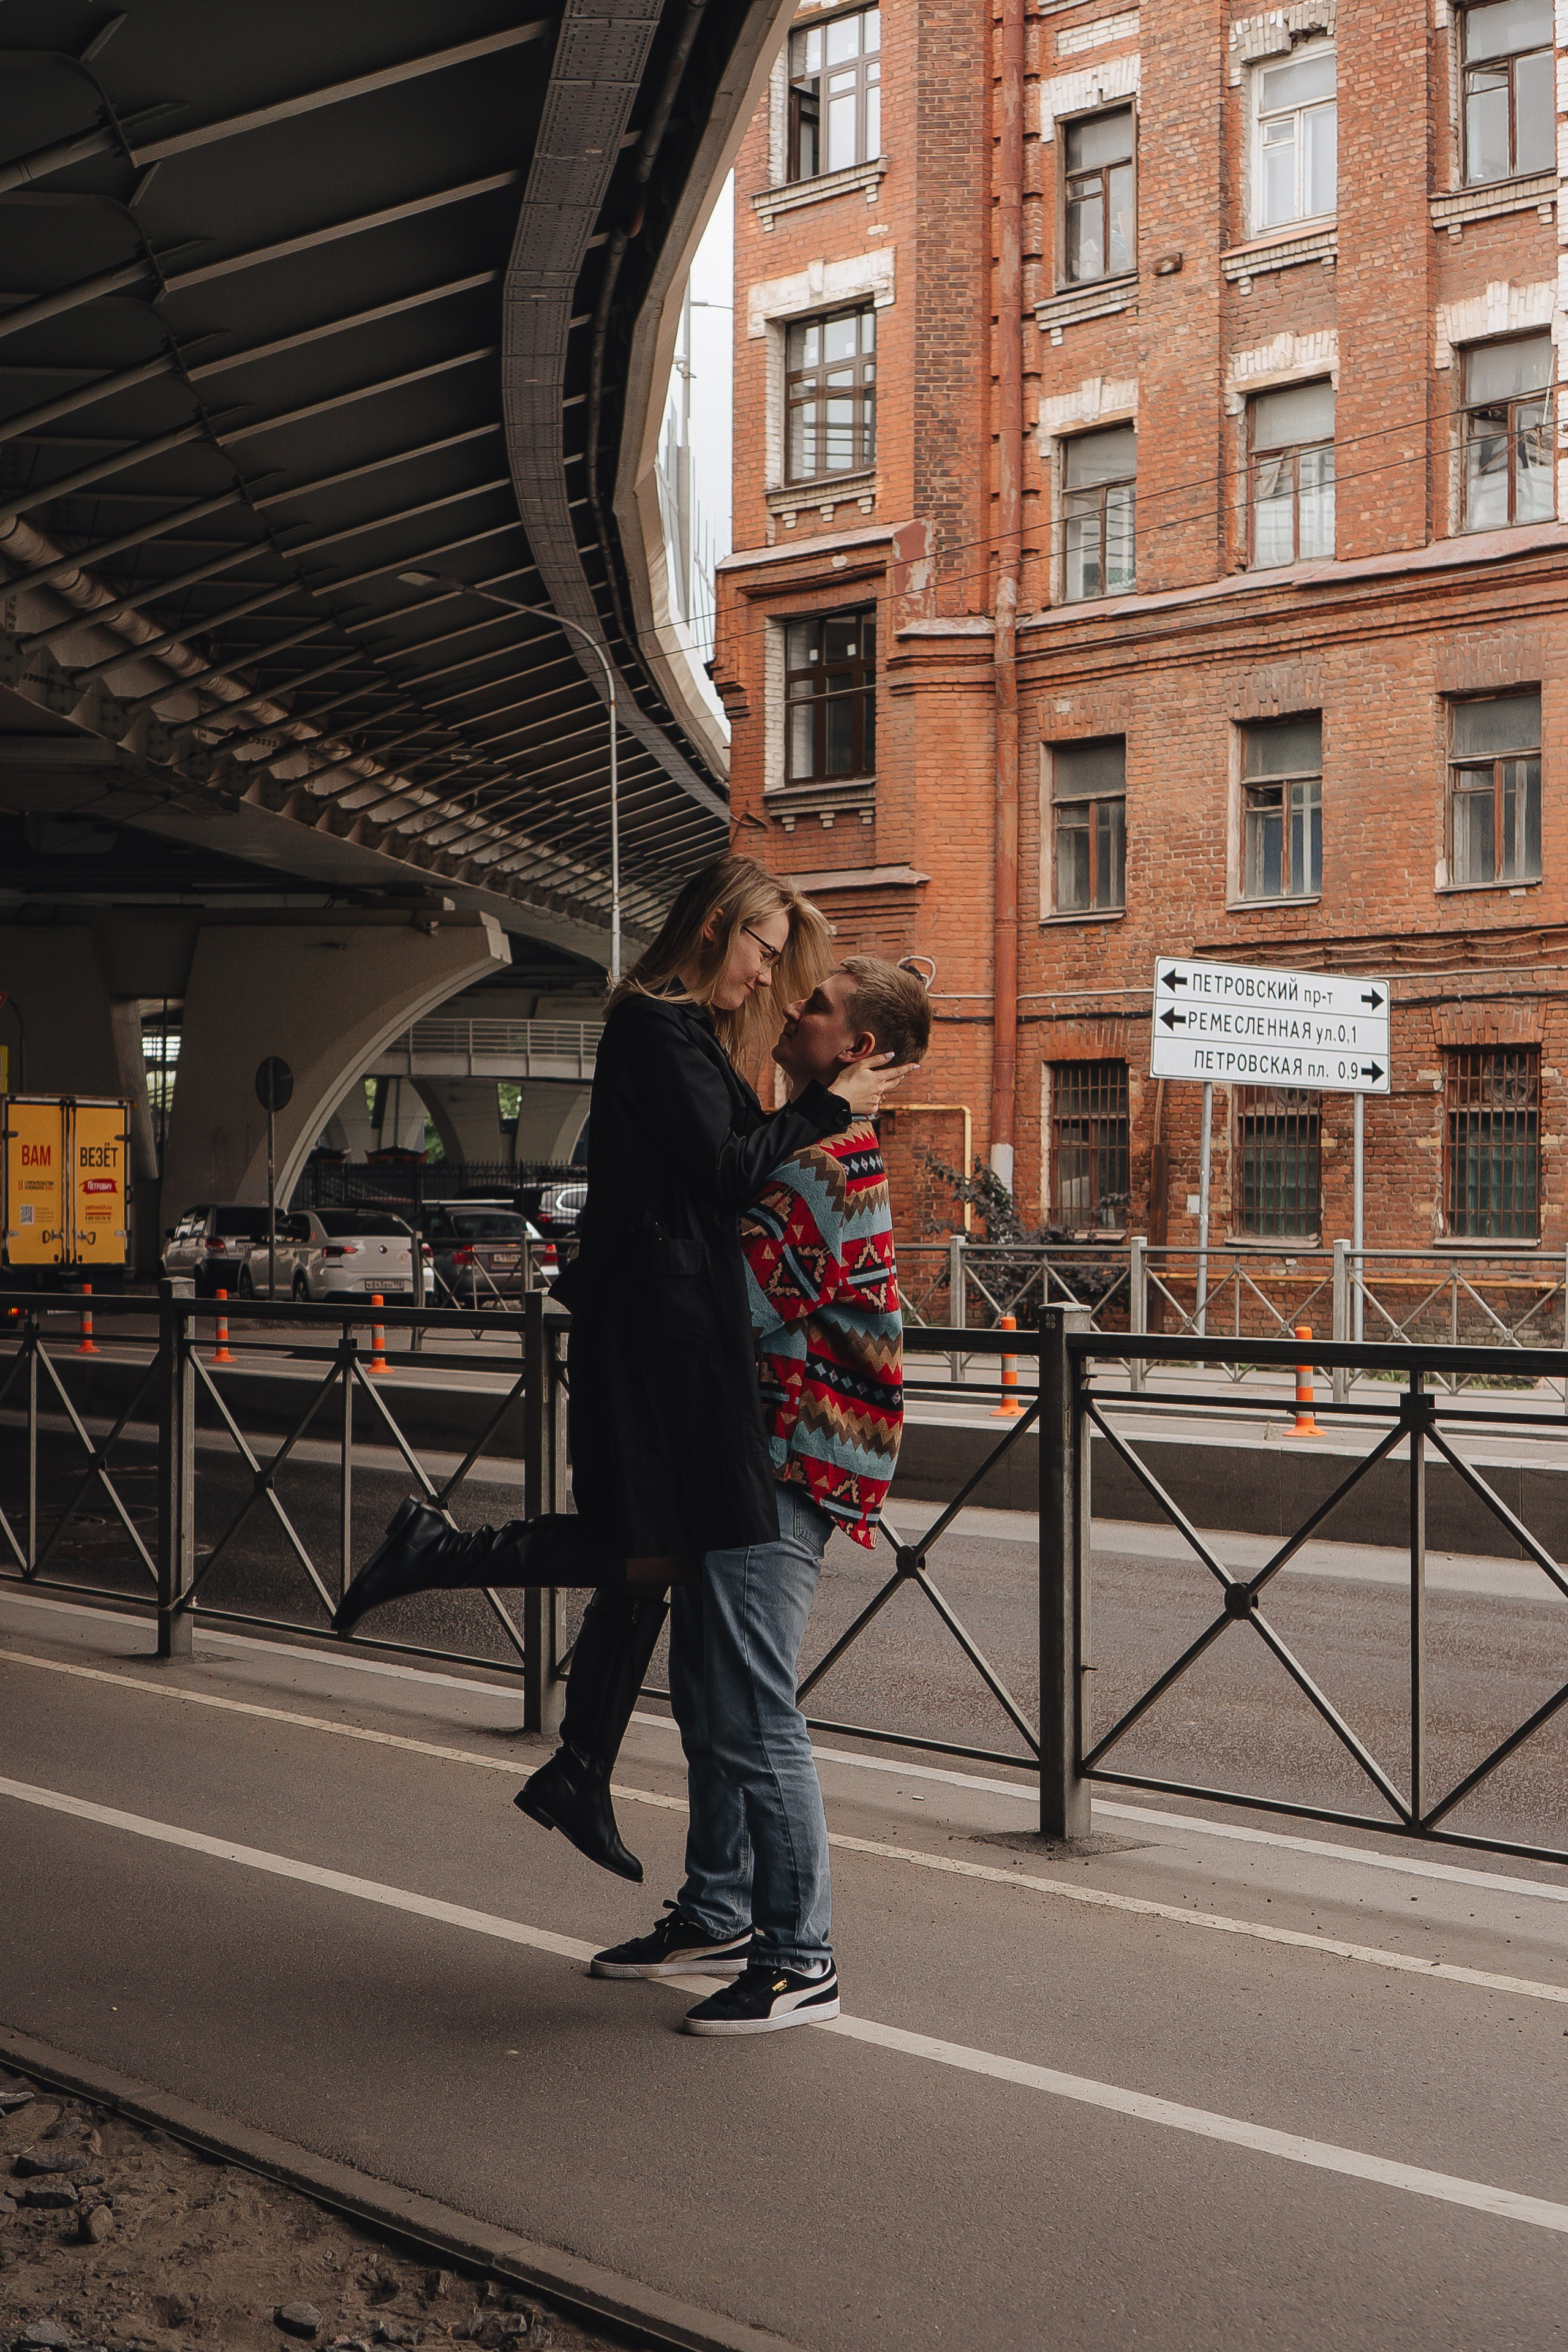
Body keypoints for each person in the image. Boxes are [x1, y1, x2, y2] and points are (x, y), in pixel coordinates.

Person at [333, 856, 900, 1880]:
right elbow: (731, 1170)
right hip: (652, 1332)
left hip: (671, 1328)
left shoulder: (691, 1038)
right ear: (717, 926)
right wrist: (830, 1104)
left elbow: (731, 1165)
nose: (766, 980)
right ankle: (440, 1561)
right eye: (762, 955)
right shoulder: (651, 1023)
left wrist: (813, 1105)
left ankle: (581, 1770)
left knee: (654, 1552)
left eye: (783, 968)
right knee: (644, 1546)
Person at [588, 956, 931, 2035]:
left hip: (789, 1461)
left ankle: (802, 1957)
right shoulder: (800, 1146)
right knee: (708, 1695)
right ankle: (720, 1910)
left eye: (816, 1006)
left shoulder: (829, 1163)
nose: (791, 1008)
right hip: (746, 1450)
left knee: (752, 1709)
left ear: (858, 1050)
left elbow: (728, 1304)